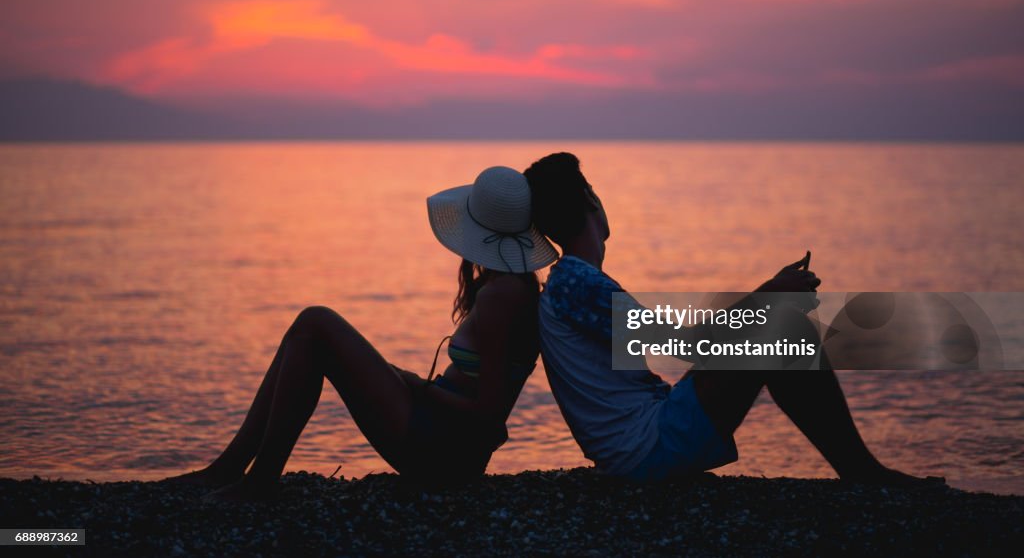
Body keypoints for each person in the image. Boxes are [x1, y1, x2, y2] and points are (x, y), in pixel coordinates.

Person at [523, 152, 941, 485]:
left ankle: (860, 472)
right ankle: (863, 474)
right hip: (647, 452)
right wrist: (767, 296)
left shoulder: (573, 282)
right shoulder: (576, 281)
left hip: (644, 440)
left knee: (777, 331)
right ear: (590, 200)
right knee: (785, 332)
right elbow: (684, 345)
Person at [164, 166, 558, 501]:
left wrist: (421, 390)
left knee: (315, 323)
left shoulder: (503, 297)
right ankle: (234, 468)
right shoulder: (513, 287)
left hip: (441, 450)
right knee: (307, 330)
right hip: (439, 429)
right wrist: (415, 385)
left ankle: (256, 477)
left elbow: (489, 417)